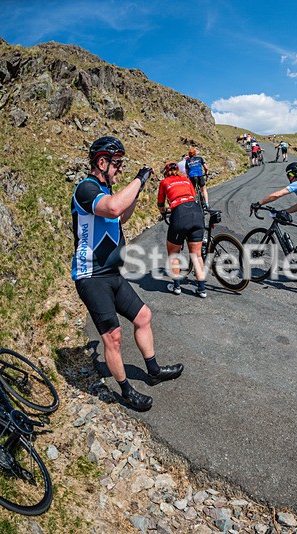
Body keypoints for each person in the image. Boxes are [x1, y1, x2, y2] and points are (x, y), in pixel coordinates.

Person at [71, 136, 183, 411]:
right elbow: (113, 208)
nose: (120, 169)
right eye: (117, 163)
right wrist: (139, 179)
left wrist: (137, 190)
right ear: (102, 162)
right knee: (113, 336)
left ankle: (153, 371)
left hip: (113, 274)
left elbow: (120, 217)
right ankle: (126, 391)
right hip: (91, 277)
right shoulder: (86, 189)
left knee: (143, 316)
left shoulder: (105, 191)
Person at [157, 162, 207, 298]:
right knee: (197, 255)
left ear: (166, 172)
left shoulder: (164, 182)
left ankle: (176, 286)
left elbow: (160, 203)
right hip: (196, 212)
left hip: (179, 213)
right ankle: (202, 289)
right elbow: (194, 196)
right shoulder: (185, 179)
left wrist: (163, 211)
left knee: (173, 253)